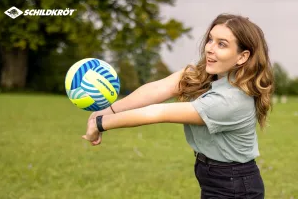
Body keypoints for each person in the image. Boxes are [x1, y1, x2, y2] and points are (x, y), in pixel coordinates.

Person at [82, 13, 274, 198]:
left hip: (235, 186)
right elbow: (158, 88)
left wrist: (101, 123)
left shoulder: (231, 100)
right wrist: (106, 111)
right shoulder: (204, 74)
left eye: (222, 44)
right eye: (210, 40)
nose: (209, 48)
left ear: (242, 57)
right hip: (215, 176)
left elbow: (158, 112)